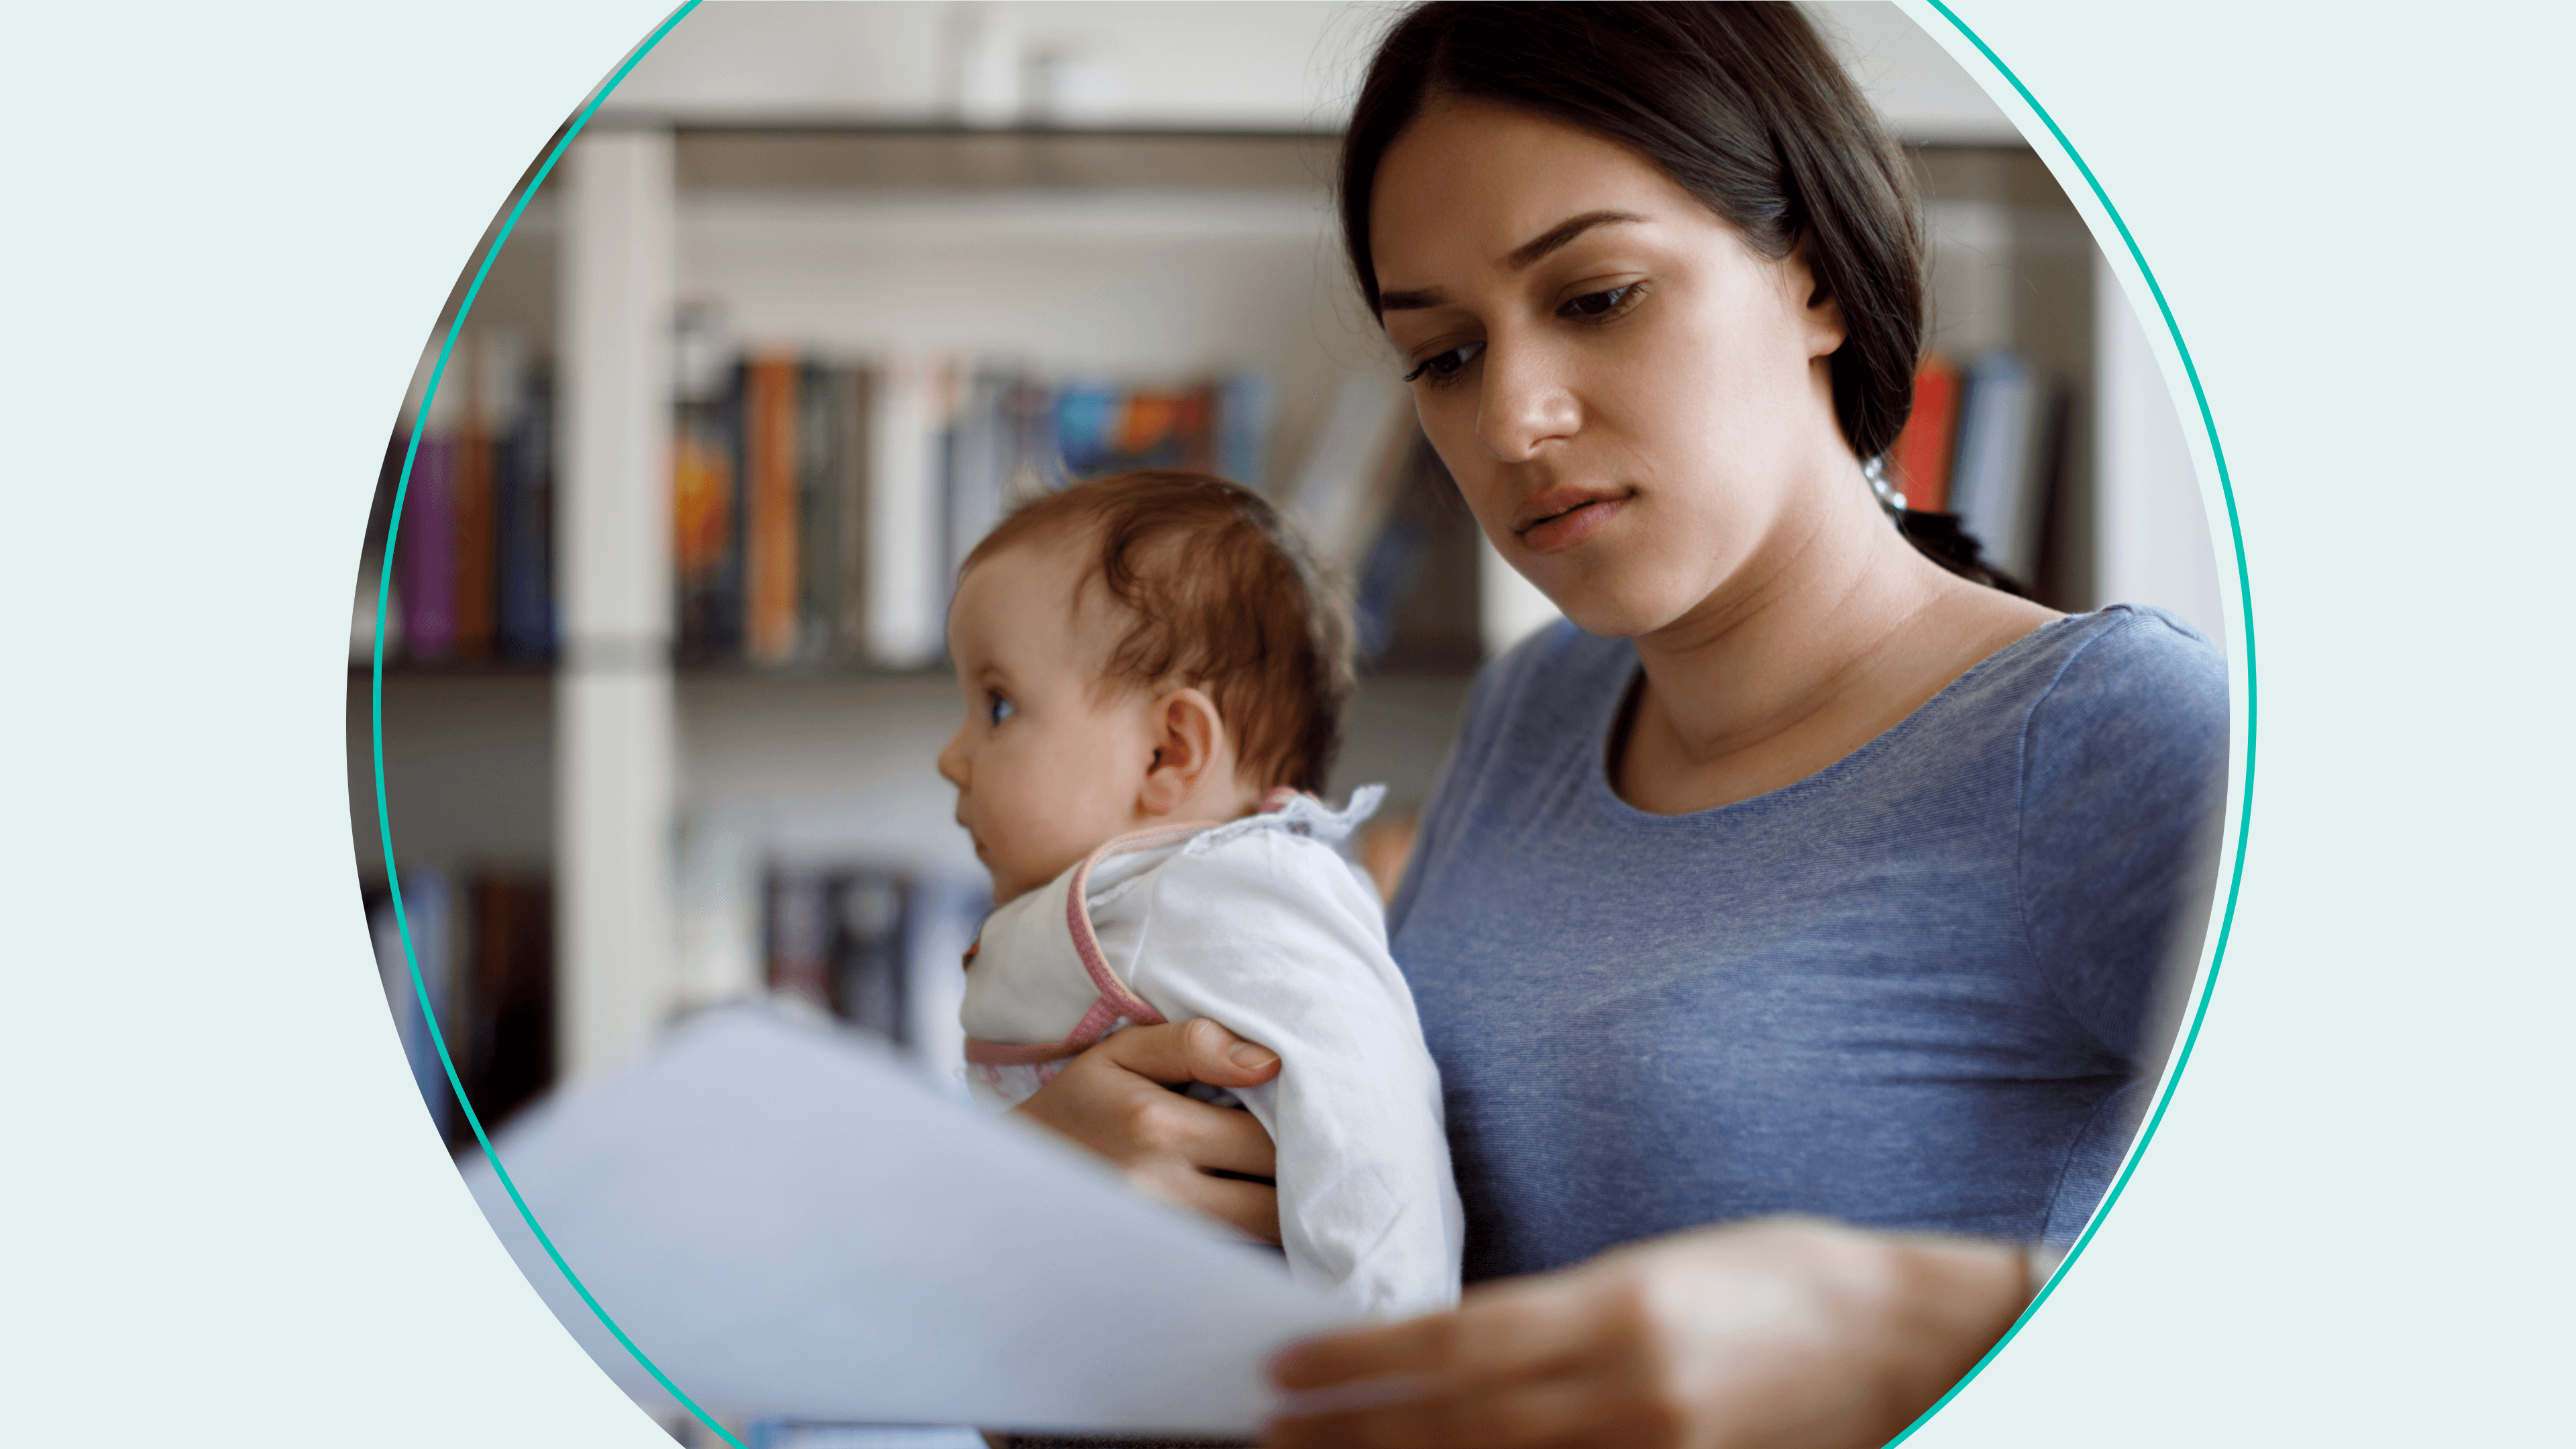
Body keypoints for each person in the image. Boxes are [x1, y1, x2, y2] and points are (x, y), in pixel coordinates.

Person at [1011, 5, 2229, 1446]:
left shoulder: (2110, 736)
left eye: (1595, 298)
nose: (1514, 418)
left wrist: (1924, 1328)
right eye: (1447, 355)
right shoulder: (1534, 712)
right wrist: (1074, 1233)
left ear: (1817, 276)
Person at [940, 468, 1464, 1321]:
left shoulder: (1236, 896)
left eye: (997, 708)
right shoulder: (1145, 899)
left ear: (1168, 752)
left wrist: (1386, 1365)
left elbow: (1366, 1118)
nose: (952, 757)